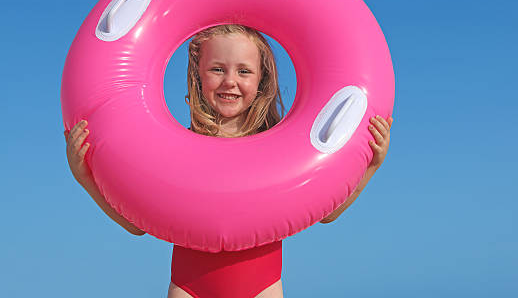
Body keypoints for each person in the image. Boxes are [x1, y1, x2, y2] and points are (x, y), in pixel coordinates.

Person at [64, 24, 393, 298]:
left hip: (262, 287)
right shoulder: (177, 147)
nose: (230, 82)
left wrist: (371, 165)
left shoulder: (280, 148)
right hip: (189, 287)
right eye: (217, 69)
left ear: (261, 79)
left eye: (244, 71)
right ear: (199, 74)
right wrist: (86, 178)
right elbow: (137, 223)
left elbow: (328, 211)